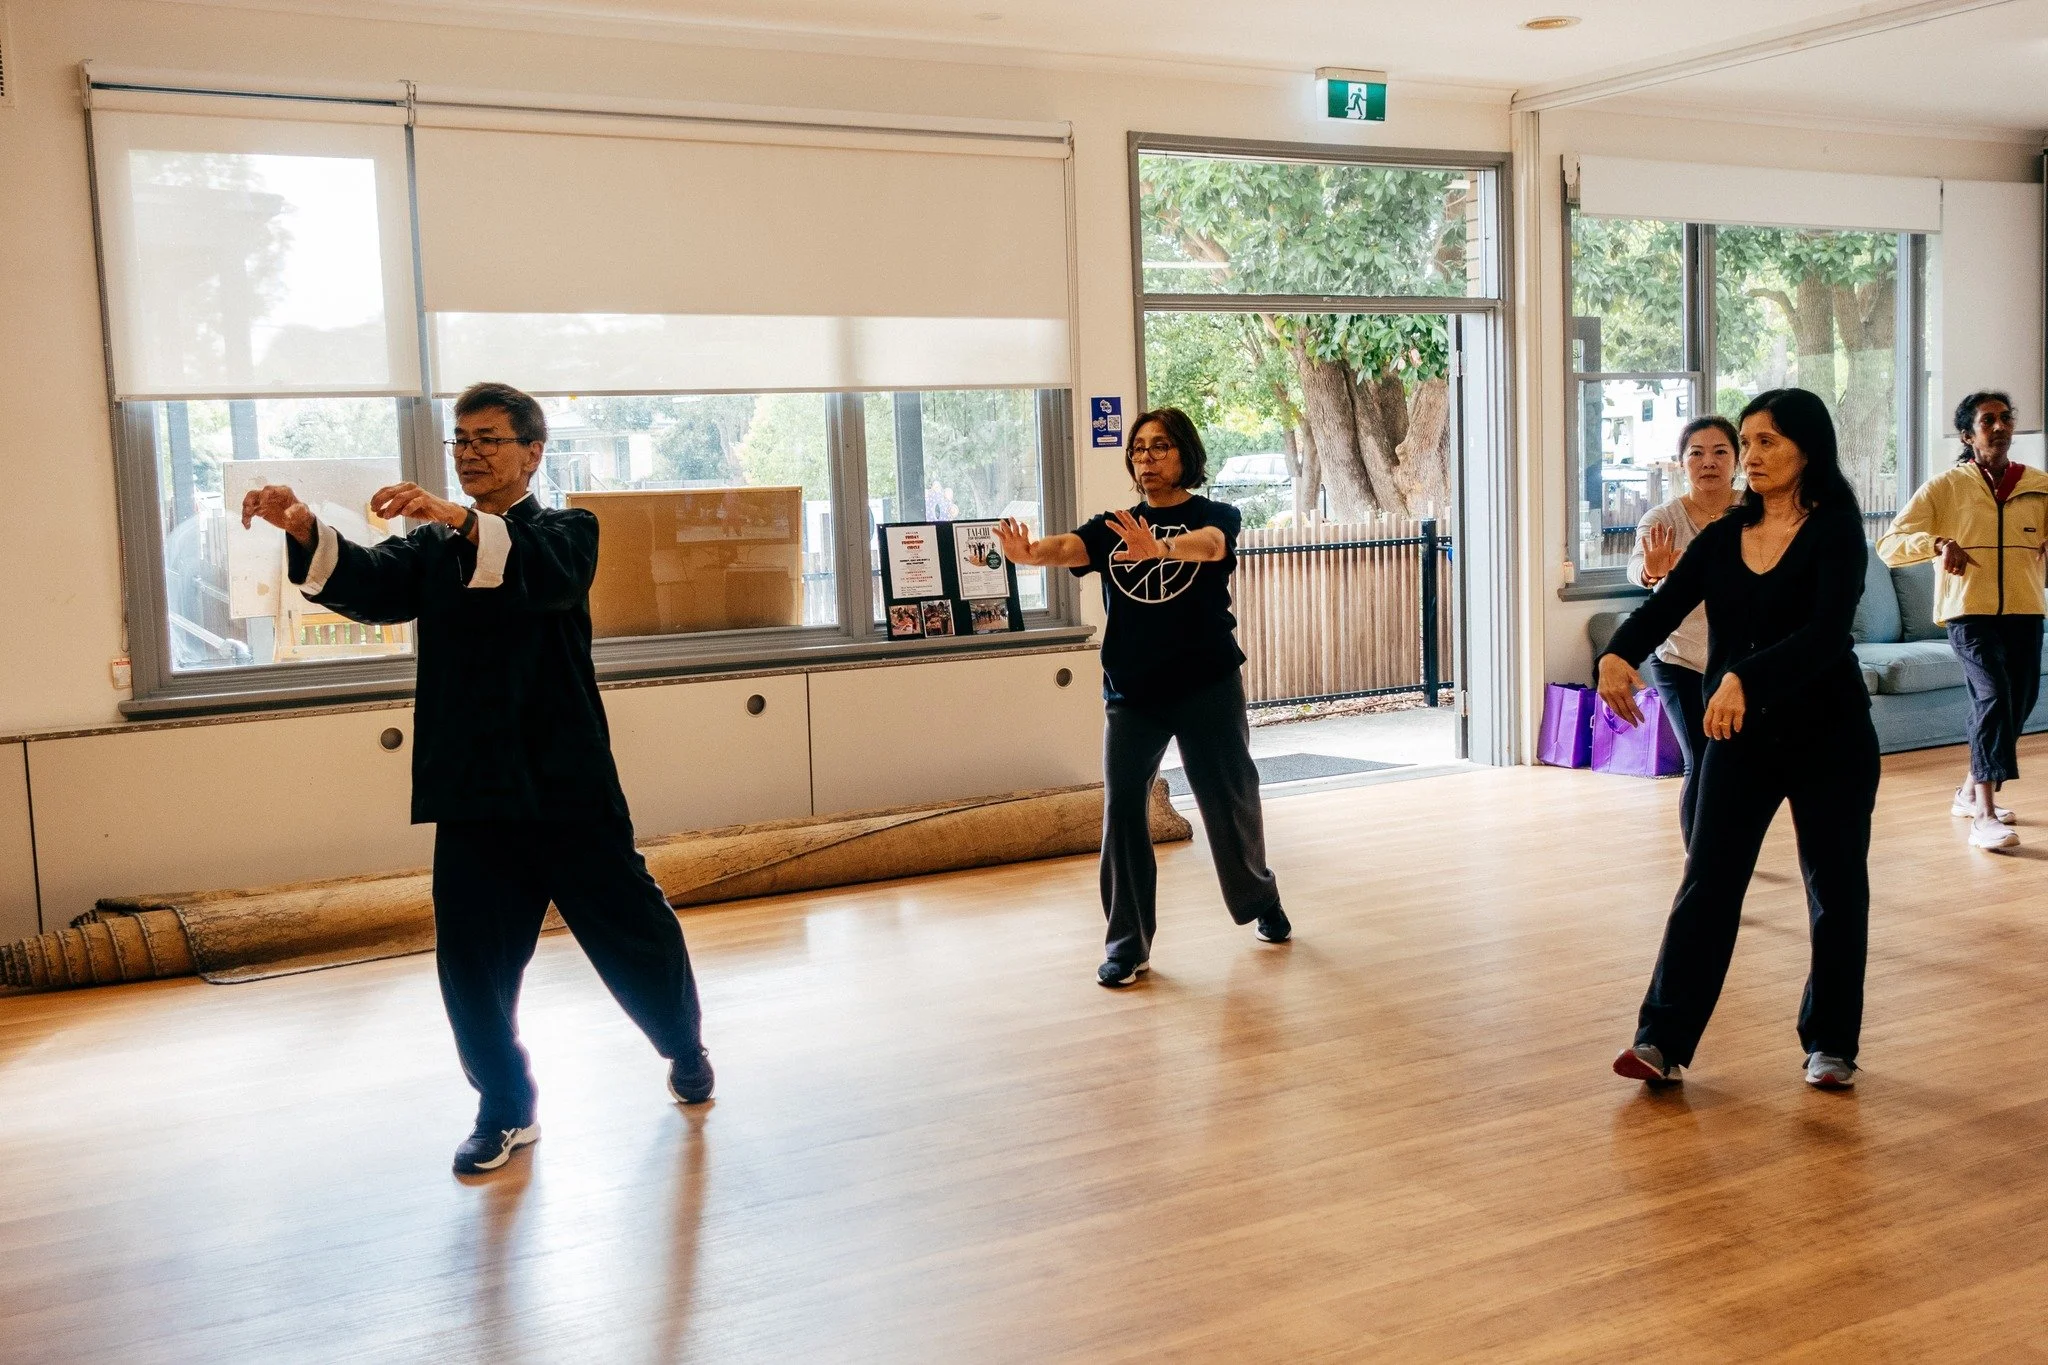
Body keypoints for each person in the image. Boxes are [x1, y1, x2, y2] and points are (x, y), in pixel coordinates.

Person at [240, 382, 714, 1176]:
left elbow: (542, 573)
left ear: (533, 451)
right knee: (470, 964)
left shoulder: (569, 529)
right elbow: (365, 583)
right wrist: (303, 527)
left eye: (489, 440)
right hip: (473, 786)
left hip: (568, 784)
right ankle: (504, 1106)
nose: (471, 455)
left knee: (635, 931)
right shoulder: (429, 549)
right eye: (461, 441)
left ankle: (684, 1045)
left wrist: (454, 517)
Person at [1597, 388, 1880, 1091]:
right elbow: (1665, 605)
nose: (1748, 456)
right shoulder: (1722, 537)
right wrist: (1619, 654)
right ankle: (1661, 1040)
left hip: (1830, 736)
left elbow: (1824, 636)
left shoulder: (1837, 530)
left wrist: (1743, 678)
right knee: (1709, 884)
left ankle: (1832, 1043)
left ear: (1807, 450)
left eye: (1765, 442)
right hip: (1741, 738)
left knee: (1836, 890)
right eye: (1745, 441)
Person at [992, 408, 1288, 986]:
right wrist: (1029, 555)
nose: (1145, 459)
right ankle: (1128, 945)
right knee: (1123, 812)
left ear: (1185, 456)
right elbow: (1068, 547)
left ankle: (1261, 898)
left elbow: (1209, 546)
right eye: (1138, 450)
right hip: (1133, 694)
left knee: (1229, 802)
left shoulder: (1214, 515)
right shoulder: (1116, 526)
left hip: (1207, 684)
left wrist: (1162, 550)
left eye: (1159, 448)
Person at [1877, 391, 2048, 852]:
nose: (1998, 426)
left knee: (2020, 699)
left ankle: (1969, 789)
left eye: (2005, 417)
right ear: (1968, 435)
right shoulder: (1945, 488)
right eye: (1987, 420)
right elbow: (1890, 544)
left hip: (2026, 610)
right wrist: (1937, 545)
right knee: (1992, 696)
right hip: (1968, 613)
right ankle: (1985, 816)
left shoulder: (2038, 485)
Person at [1627, 416, 1741, 846]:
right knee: (1702, 758)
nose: (1708, 462)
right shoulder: (1664, 518)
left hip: (1740, 663)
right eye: (1696, 453)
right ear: (1681, 464)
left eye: (1719, 452)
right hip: (1681, 660)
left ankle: (1728, 851)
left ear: (1736, 460)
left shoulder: (1756, 511)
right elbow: (1638, 565)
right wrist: (1651, 571)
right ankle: (1702, 864)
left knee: (1735, 763)